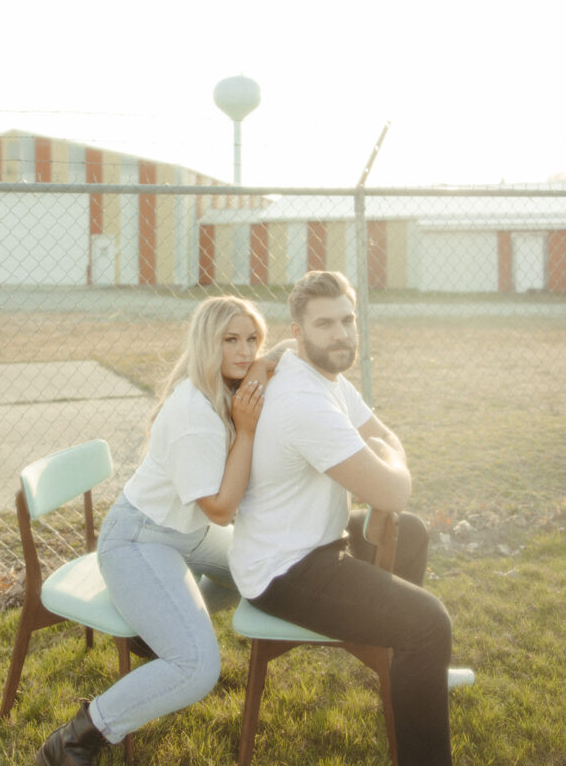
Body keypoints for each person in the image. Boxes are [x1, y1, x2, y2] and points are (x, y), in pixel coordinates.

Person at [36, 294, 285, 766]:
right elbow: (221, 509)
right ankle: (77, 735)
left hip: (182, 534)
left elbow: (283, 353)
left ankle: (156, 633)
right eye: (230, 340)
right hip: (140, 538)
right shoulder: (195, 416)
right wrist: (248, 432)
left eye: (253, 339)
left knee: (260, 568)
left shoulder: (226, 391)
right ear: (204, 344)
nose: (245, 351)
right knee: (196, 667)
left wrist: (267, 364)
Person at [229, 270, 463, 766]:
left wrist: (386, 455)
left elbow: (386, 437)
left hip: (315, 541)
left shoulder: (320, 375)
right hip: (285, 569)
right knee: (429, 623)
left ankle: (408, 677)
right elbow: (392, 488)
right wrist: (389, 461)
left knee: (414, 534)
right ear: (297, 331)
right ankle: (418, 682)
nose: (341, 334)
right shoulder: (304, 402)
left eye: (347, 320)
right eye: (324, 324)